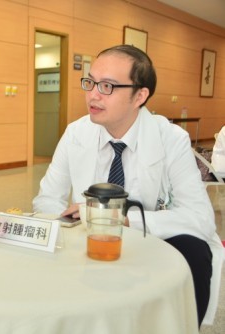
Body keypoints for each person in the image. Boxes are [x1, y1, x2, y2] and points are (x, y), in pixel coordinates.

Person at [33, 45, 223, 327]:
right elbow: (46, 200)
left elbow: (201, 218)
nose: (93, 94)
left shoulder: (171, 139)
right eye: (90, 82)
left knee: (194, 251)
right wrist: (75, 222)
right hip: (88, 236)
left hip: (153, 237)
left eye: (107, 86)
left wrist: (120, 220)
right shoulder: (76, 133)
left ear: (140, 95)